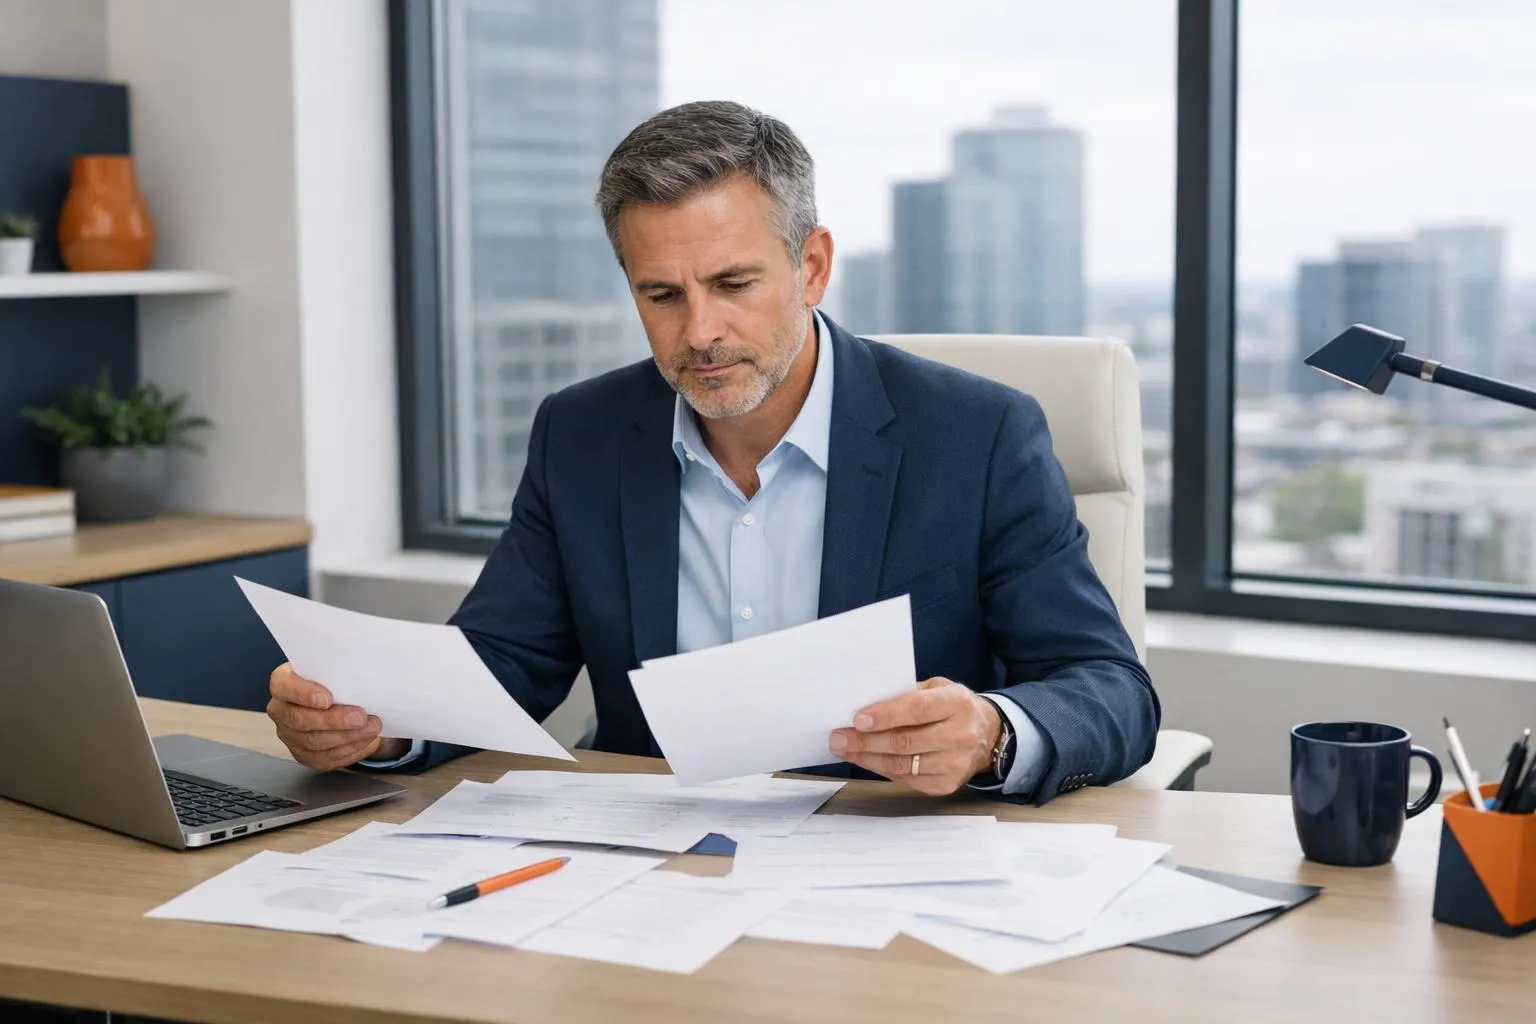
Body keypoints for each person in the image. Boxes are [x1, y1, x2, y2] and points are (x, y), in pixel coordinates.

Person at [266, 100, 1159, 803]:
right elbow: (505, 663)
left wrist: (993, 731)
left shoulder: (979, 432)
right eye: (662, 294)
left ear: (811, 266)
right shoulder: (581, 433)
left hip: (887, 853)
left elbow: (1110, 690)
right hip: (647, 858)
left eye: (734, 284)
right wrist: (377, 726)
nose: (701, 332)